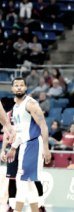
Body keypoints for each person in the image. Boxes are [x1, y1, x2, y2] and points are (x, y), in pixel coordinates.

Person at [5, 77, 51, 212]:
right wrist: (13, 148)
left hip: (34, 145)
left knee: (22, 182)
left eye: (21, 85)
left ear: (26, 88)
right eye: (16, 85)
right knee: (30, 185)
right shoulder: (15, 108)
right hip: (25, 145)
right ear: (12, 89)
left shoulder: (30, 104)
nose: (19, 87)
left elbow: (43, 125)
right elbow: (20, 132)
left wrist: (46, 147)